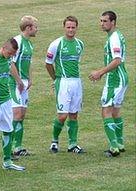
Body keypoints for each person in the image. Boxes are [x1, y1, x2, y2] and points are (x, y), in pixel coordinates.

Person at [89, 11, 128, 157]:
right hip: (121, 78)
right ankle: (120, 143)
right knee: (115, 111)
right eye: (101, 21)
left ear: (113, 22)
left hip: (115, 79)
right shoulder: (116, 36)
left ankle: (113, 147)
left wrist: (100, 72)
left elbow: (117, 60)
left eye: (105, 21)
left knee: (106, 110)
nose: (102, 24)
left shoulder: (114, 39)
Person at [0, 38, 26, 176]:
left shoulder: (8, 58)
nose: (11, 56)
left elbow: (10, 66)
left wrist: (18, 81)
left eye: (13, 54)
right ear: (3, 48)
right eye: (10, 53)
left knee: (8, 130)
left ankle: (7, 162)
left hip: (6, 100)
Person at [45, 16, 85, 154]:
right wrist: (56, 78)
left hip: (76, 82)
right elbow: (48, 64)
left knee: (74, 114)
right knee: (62, 116)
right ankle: (54, 141)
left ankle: (72, 144)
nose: (71, 30)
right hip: (63, 82)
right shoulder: (56, 44)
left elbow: (77, 63)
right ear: (64, 28)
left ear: (76, 28)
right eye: (68, 27)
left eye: (73, 27)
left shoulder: (80, 44)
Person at [10, 15, 38, 157]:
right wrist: (19, 81)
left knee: (22, 115)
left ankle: (18, 147)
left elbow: (29, 63)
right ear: (28, 28)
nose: (37, 30)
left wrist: (30, 79)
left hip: (24, 83)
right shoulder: (17, 42)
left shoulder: (29, 43)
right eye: (35, 27)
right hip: (14, 83)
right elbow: (10, 63)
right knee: (16, 114)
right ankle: (9, 147)